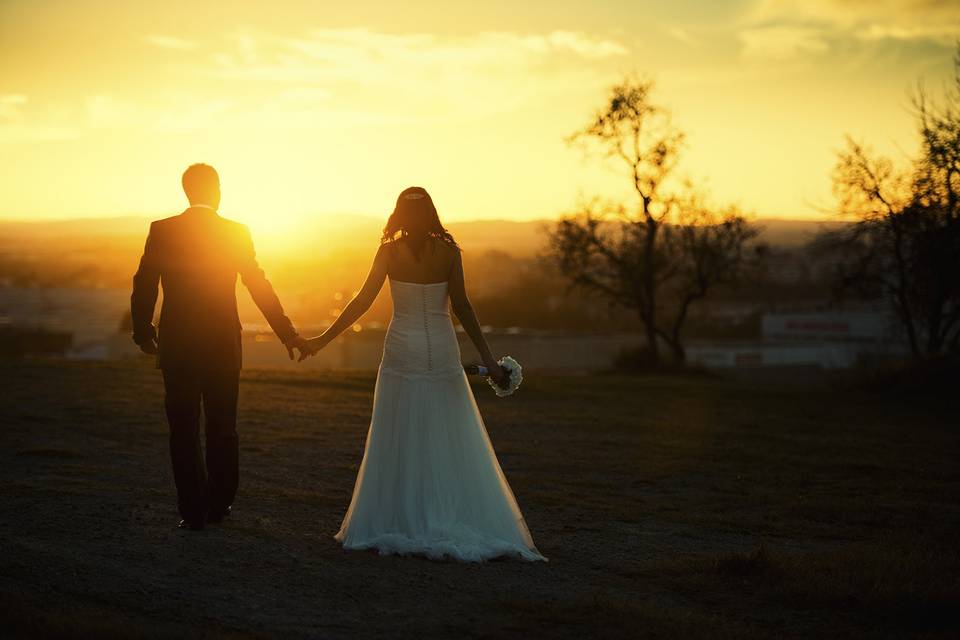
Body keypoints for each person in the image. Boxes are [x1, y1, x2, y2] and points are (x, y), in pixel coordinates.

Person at [301, 186, 545, 562]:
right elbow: (462, 307)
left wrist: (322, 339)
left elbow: (363, 301)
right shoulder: (449, 252)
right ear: (431, 213)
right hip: (442, 348)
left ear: (398, 214)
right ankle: (446, 510)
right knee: (448, 429)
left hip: (402, 347)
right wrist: (489, 360)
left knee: (398, 428)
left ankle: (402, 514)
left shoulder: (389, 252)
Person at [131, 163, 308, 530]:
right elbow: (258, 284)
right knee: (223, 427)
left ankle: (192, 511)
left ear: (186, 191)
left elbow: (145, 282)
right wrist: (286, 333)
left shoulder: (162, 230)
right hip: (221, 345)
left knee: (182, 428)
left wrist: (143, 331)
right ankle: (220, 504)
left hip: (178, 345)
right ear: (217, 191)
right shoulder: (235, 232)